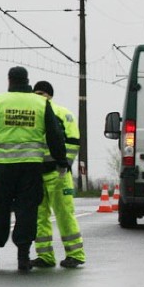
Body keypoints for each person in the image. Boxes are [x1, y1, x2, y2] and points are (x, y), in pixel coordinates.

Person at [0, 67, 67, 272]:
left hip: (4, 168)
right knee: (27, 211)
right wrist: (61, 160)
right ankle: (23, 257)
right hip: (31, 169)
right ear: (27, 81)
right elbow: (54, 135)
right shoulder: (41, 103)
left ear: (10, 81)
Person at [30, 81, 86, 269]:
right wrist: (65, 164)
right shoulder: (63, 113)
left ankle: (58, 255)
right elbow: (73, 141)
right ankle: (61, 255)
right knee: (58, 215)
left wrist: (63, 165)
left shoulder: (46, 113)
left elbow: (72, 142)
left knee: (46, 216)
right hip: (54, 172)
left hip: (45, 173)